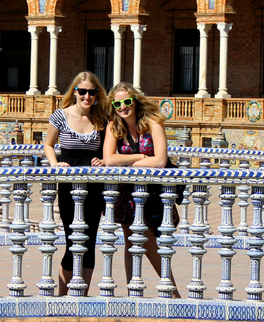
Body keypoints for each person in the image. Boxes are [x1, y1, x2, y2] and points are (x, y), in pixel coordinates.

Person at [103, 81, 179, 288]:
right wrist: (142, 156)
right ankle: (132, 290)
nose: (122, 107)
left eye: (127, 102)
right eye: (117, 104)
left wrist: (125, 160)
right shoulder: (113, 126)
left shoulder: (153, 123)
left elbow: (161, 161)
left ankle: (171, 288)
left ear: (135, 101)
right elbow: (109, 159)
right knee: (129, 242)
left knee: (148, 240)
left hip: (150, 193)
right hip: (126, 194)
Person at [43, 71, 110, 296]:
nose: (87, 96)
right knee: (72, 239)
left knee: (89, 240)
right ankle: (63, 295)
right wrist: (55, 164)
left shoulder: (102, 119)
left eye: (92, 92)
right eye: (82, 91)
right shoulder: (60, 115)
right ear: (75, 92)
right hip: (69, 186)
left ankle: (82, 294)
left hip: (94, 187)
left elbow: (108, 151)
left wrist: (103, 160)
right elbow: (49, 145)